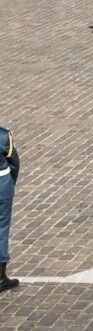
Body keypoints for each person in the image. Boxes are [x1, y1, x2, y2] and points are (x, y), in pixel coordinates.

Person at [0, 123, 19, 294]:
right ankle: (0, 277)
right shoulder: (4, 135)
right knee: (1, 228)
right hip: (2, 185)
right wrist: (10, 183)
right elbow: (14, 163)